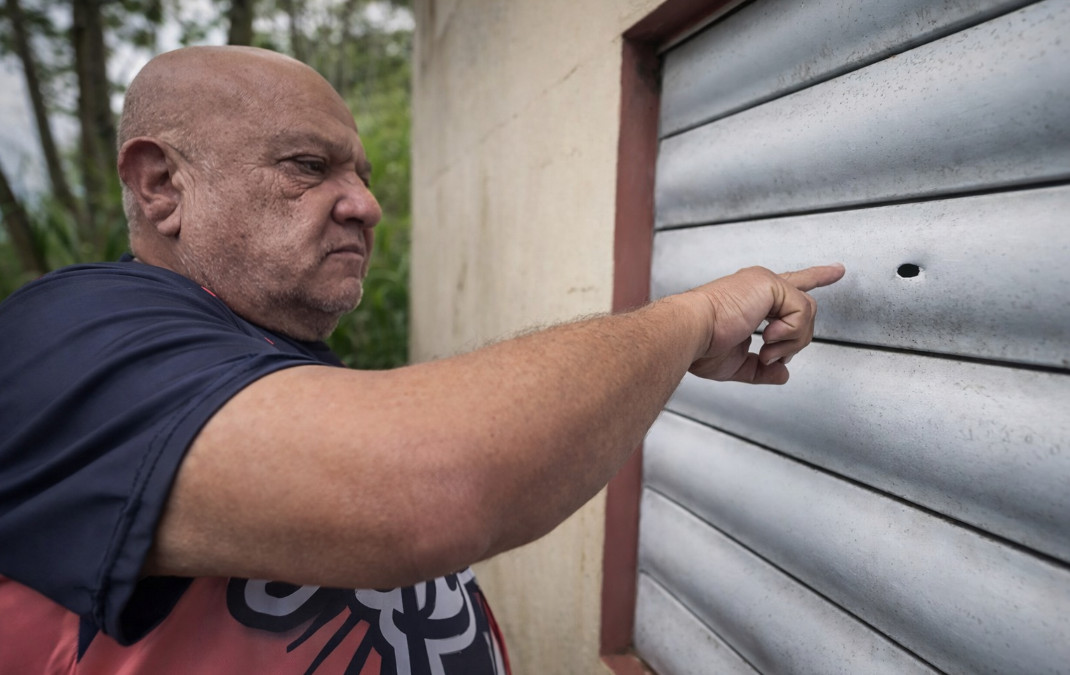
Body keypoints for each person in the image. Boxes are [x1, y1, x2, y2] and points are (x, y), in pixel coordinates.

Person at [0, 45, 844, 674]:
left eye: (363, 176)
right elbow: (432, 489)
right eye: (309, 166)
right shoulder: (64, 336)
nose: (366, 206)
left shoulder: (269, 359)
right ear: (160, 186)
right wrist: (692, 318)